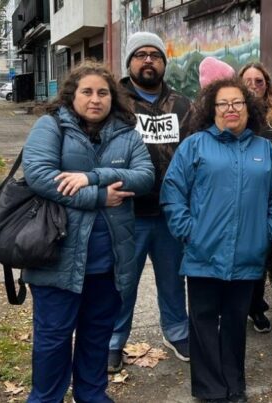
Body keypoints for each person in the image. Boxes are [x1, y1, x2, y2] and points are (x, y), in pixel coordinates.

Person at [21, 61, 155, 402]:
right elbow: (39, 175)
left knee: (97, 336)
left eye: (103, 93)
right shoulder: (51, 126)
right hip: (58, 257)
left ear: (113, 98)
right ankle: (45, 398)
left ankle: (92, 395)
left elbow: (144, 176)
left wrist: (92, 177)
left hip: (109, 261)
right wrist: (99, 197)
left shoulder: (127, 133)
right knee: (53, 339)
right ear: (72, 95)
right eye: (87, 92)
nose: (95, 99)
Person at [161, 77, 272, 402]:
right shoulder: (195, 145)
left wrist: (268, 233)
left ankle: (234, 384)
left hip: (248, 253)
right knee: (203, 321)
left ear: (248, 108)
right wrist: (188, 231)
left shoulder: (264, 149)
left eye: (238, 102)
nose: (231, 109)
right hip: (202, 252)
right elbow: (173, 191)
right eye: (223, 103)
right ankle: (210, 389)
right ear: (212, 109)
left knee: (235, 323)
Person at [109, 31, 193, 372]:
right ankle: (114, 340)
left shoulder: (184, 104)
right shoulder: (115, 102)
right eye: (140, 54)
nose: (148, 60)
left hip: (172, 211)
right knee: (123, 280)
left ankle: (177, 331)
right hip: (128, 211)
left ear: (163, 62)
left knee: (173, 278)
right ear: (129, 62)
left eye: (155, 55)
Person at [239, 62, 272, 333]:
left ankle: (256, 306)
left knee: (260, 257)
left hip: (265, 196)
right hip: (235, 193)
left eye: (259, 81)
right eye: (248, 81)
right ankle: (236, 305)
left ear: (267, 86)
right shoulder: (230, 113)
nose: (253, 86)